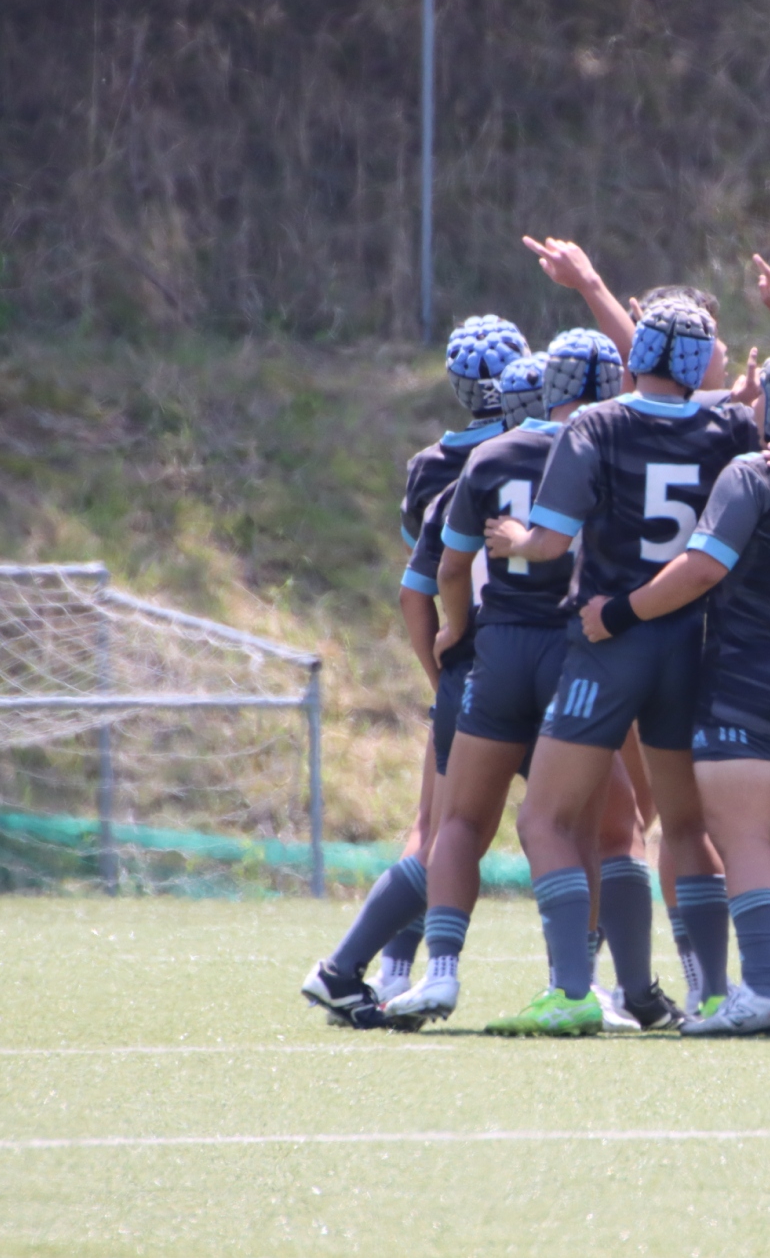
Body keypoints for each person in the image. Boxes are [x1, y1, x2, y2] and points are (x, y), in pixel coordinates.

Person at [602, 269, 770, 1035]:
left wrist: (619, 611)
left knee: (744, 837)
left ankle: (758, 990)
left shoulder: (751, 472)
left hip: (752, 677)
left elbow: (702, 568)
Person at [480, 297, 757, 1035]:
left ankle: (573, 989)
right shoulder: (731, 425)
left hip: (610, 641)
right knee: (686, 825)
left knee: (544, 817)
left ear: (635, 357)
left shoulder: (595, 424)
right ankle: (713, 993)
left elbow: (549, 543)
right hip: (689, 641)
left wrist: (512, 538)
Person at [299, 318, 525, 1026]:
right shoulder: (546, 448)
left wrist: (440, 668)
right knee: (587, 828)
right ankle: (601, 985)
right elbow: (439, 571)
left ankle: (389, 971)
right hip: (526, 654)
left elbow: (420, 580)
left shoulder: (432, 463)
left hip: (471, 663)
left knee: (437, 828)